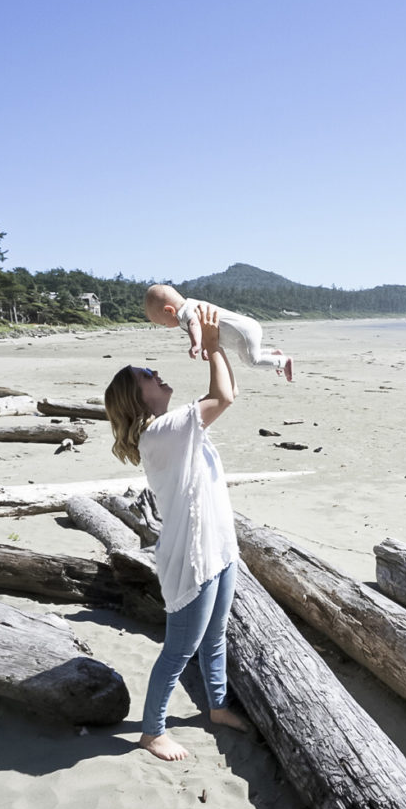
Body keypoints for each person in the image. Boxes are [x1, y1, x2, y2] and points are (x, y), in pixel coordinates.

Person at [104, 303, 248, 761]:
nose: (156, 371)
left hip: (219, 546)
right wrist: (210, 345)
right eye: (147, 372)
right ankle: (152, 731)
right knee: (179, 650)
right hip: (192, 557)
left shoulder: (176, 428)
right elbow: (224, 397)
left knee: (216, 633)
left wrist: (214, 345)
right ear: (137, 396)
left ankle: (218, 705)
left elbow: (229, 389)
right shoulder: (162, 432)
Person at [145, 283, 294, 382]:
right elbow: (204, 329)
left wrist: (195, 344)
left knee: (252, 362)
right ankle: (274, 354)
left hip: (242, 331)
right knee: (246, 357)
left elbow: (195, 324)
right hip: (244, 330)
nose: (166, 326)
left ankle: (284, 362)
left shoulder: (187, 311)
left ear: (169, 310)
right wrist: (205, 347)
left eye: (163, 323)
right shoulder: (187, 310)